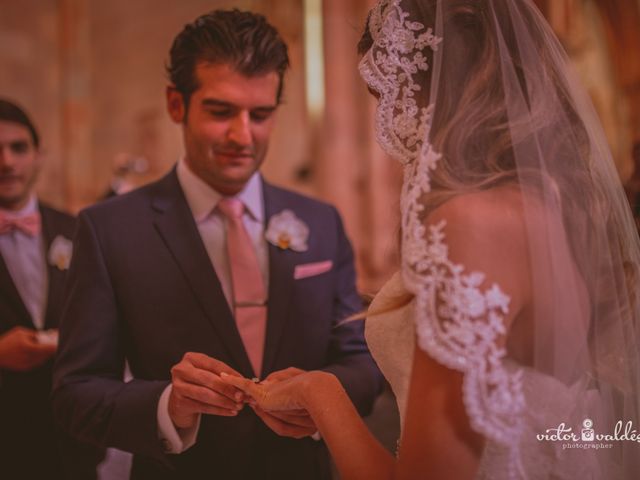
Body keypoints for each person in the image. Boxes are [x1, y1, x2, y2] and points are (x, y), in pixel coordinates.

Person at [223, 1, 640, 479]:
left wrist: (320, 395)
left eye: (383, 96)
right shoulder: (555, 204)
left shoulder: (471, 223)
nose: (384, 125)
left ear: (423, 93)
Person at [52, 9, 382, 480]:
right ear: (176, 105)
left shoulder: (321, 221)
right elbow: (75, 394)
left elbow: (360, 362)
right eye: (221, 111)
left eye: (261, 115)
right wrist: (170, 404)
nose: (242, 136)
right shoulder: (109, 229)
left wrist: (319, 396)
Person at [0, 99, 104, 479]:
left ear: (38, 155)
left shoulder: (77, 229)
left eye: (19, 148)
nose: (8, 162)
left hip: (72, 442)